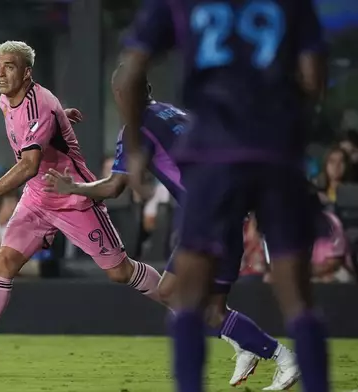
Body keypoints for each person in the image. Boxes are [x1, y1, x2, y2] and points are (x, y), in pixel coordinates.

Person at [116, 0, 328, 391]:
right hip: (276, 154)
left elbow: (130, 73)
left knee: (187, 299)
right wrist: (290, 127)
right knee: (298, 297)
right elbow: (314, 73)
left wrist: (132, 149)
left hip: (214, 157)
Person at [44, 71, 297, 390]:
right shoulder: (175, 112)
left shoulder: (136, 129)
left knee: (172, 294)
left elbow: (113, 187)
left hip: (207, 217)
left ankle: (281, 356)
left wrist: (73, 187)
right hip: (229, 208)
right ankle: (246, 344)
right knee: (214, 309)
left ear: (122, 96)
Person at [0, 40, 164, 374]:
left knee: (120, 272)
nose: (1, 74)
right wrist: (62, 116)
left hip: (73, 197)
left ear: (27, 71)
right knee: (3, 262)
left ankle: (181, 301)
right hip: (36, 199)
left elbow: (29, 164)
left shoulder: (39, 106)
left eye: (10, 66)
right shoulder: (9, 99)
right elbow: (36, 123)